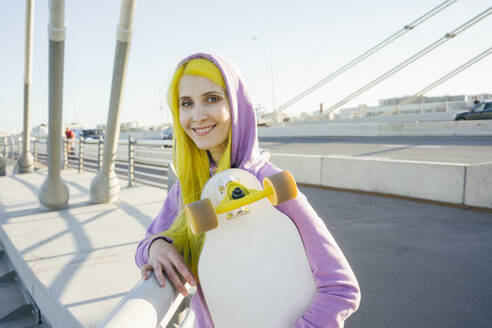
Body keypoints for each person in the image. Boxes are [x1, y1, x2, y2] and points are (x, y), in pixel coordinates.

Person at [135, 53, 360, 327]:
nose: (198, 115)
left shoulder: (268, 183)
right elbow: (146, 244)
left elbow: (340, 289)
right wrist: (155, 247)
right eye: (186, 103)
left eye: (212, 98)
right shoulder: (188, 187)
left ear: (237, 104)